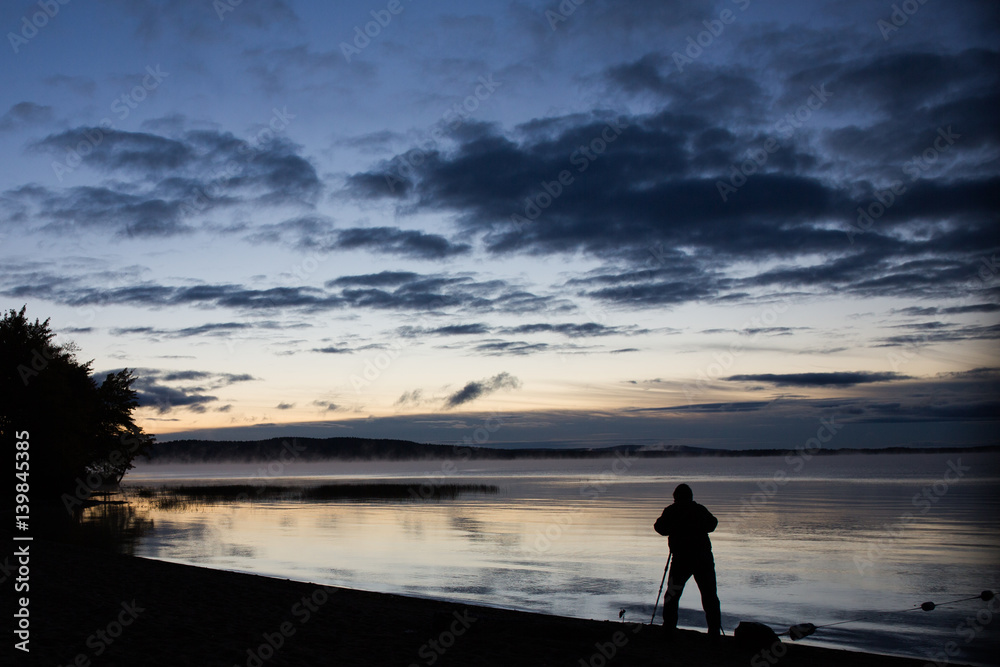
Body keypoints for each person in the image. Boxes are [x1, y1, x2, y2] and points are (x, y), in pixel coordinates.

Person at [653, 483, 721, 635]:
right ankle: (714, 630)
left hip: (682, 559)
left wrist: (674, 527)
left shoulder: (672, 510)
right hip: (701, 558)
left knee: (672, 595)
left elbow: (659, 528)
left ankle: (669, 627)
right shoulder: (698, 509)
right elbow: (713, 523)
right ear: (690, 497)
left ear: (675, 497)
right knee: (709, 595)